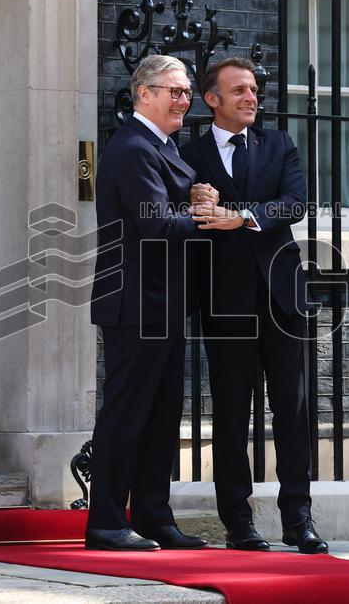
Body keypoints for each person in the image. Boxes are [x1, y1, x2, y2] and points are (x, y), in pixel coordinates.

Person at [181, 57, 328, 554]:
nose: (252, 97)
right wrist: (196, 200)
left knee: (293, 410)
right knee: (229, 414)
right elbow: (180, 211)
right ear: (212, 99)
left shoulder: (279, 144)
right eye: (239, 90)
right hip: (224, 301)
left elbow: (294, 205)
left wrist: (239, 217)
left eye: (254, 89)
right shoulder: (189, 152)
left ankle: (298, 518)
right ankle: (238, 522)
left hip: (282, 298)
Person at [86, 54, 208, 551]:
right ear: (144, 93)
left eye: (186, 92)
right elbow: (156, 225)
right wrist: (203, 213)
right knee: (126, 415)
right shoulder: (134, 147)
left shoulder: (160, 146)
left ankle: (155, 517)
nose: (184, 99)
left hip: (163, 304)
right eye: (174, 91)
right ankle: (107, 522)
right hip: (137, 304)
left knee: (161, 418)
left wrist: (192, 197)